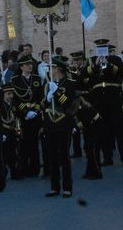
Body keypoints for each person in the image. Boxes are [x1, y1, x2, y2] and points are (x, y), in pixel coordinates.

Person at [43, 56, 75, 198]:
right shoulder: (48, 84)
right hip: (50, 123)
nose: (51, 70)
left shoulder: (69, 84)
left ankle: (67, 187)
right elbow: (43, 105)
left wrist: (57, 92)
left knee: (64, 156)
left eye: (53, 68)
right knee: (52, 156)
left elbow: (68, 103)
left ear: (59, 69)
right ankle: (54, 186)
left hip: (63, 123)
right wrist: (48, 97)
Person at [11, 54, 44, 177]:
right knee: (23, 143)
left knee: (34, 142)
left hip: (34, 115)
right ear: (21, 67)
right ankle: (24, 167)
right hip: (23, 116)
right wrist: (25, 111)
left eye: (31, 64)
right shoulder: (15, 80)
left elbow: (40, 97)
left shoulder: (36, 79)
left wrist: (35, 110)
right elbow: (15, 100)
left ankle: (35, 168)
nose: (30, 66)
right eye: (27, 65)